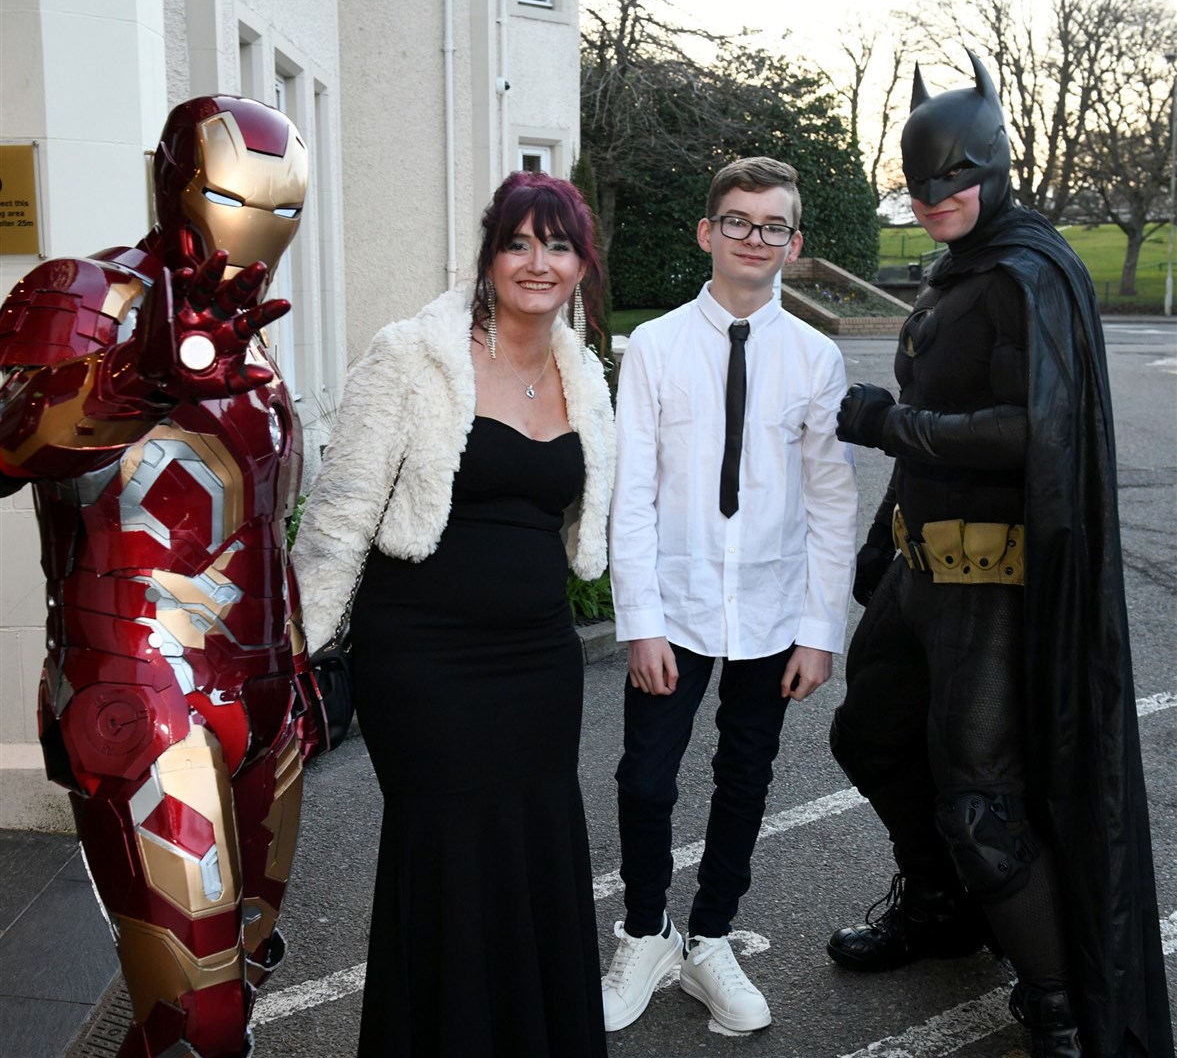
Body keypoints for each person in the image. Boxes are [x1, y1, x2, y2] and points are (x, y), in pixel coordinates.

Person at [827, 51, 1173, 1057]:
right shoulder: (964, 272)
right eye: (923, 186)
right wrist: (879, 534)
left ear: (991, 170)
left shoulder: (1029, 274)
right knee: (869, 738)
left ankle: (1057, 999)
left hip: (996, 578)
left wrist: (893, 429)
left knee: (981, 801)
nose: (934, 201)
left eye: (953, 183)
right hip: (921, 562)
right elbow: (934, 415)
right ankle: (937, 910)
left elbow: (1037, 432)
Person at [0, 96, 310, 1057]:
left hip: (260, 697)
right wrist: (128, 384)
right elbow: (12, 445)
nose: (259, 227)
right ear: (177, 183)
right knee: (194, 1014)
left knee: (244, 972)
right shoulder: (86, 296)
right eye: (233, 198)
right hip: (138, 690)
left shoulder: (245, 331)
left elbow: (259, 527)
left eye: (285, 208)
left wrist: (296, 672)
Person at [292, 170, 614, 1057]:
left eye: (557, 244)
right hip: (425, 662)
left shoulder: (583, 372)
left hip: (538, 660)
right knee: (447, 851)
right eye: (518, 241)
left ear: (582, 263)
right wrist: (297, 653)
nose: (537, 262)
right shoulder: (411, 356)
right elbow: (339, 513)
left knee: (537, 841)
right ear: (488, 256)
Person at [602, 156, 857, 1034]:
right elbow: (630, 491)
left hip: (774, 612)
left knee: (744, 776)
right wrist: (638, 622)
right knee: (645, 782)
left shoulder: (815, 358)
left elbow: (831, 501)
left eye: (773, 226)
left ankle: (709, 937)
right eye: (738, 222)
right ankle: (644, 930)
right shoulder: (657, 348)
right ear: (707, 232)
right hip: (672, 609)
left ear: (793, 243)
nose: (755, 238)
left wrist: (820, 630)